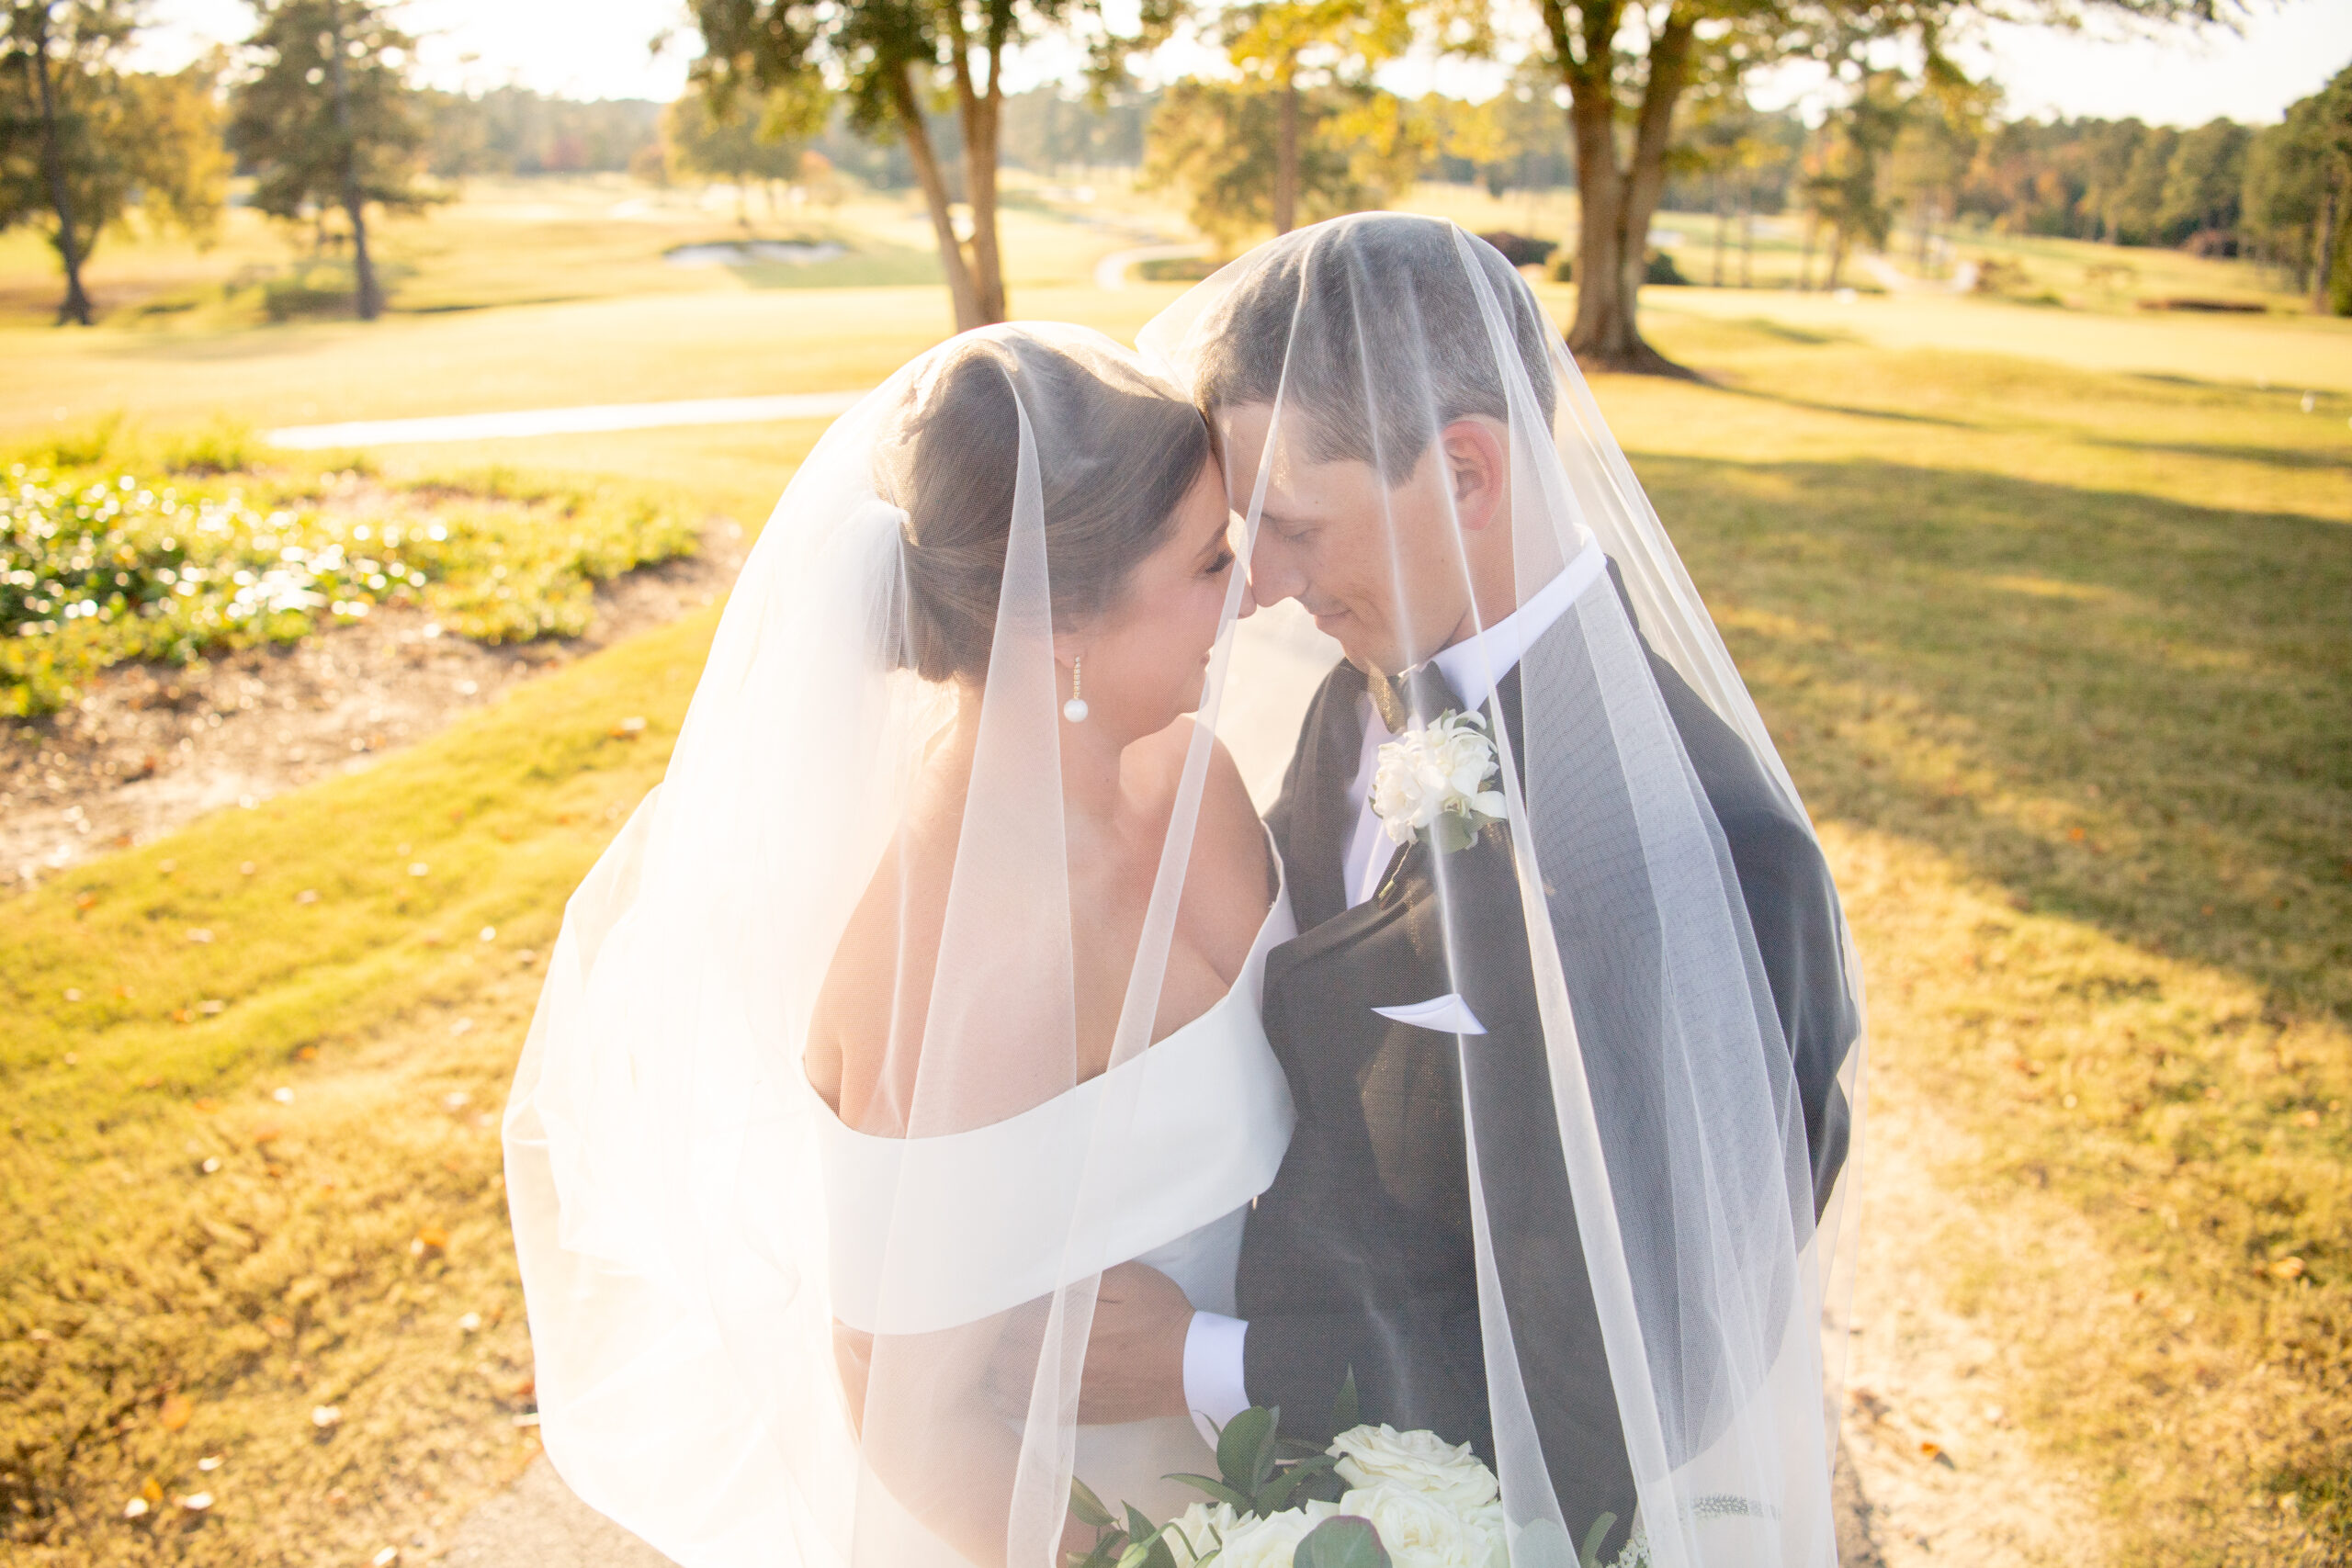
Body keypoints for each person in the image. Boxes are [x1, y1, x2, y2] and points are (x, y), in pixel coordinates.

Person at [1079, 214, 1866, 1567]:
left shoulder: (1703, 849)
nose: (1257, 587)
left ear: (1466, 472)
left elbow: (1638, 1376)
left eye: (1293, 527)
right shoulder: (1357, 701)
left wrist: (1206, 1363)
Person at [505, 326, 1295, 1566]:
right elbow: (912, 1414)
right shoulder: (962, 973)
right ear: (1061, 625)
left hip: (1318, 1417)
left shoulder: (1197, 778)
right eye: (1210, 562)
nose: (1250, 593)